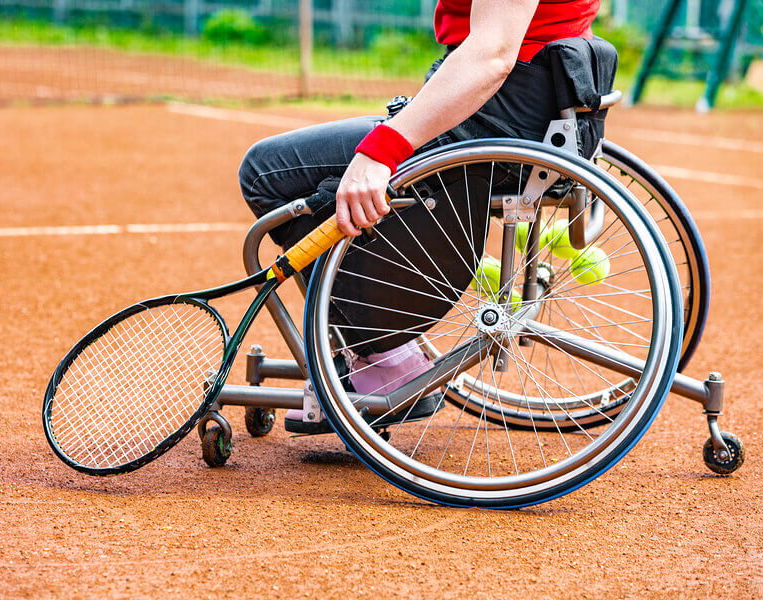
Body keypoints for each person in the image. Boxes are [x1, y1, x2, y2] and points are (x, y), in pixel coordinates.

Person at [238, 0, 610, 433]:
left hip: (492, 119)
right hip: (534, 110)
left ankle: (384, 356)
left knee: (264, 173)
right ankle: (384, 353)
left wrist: (382, 151)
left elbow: (492, 54)